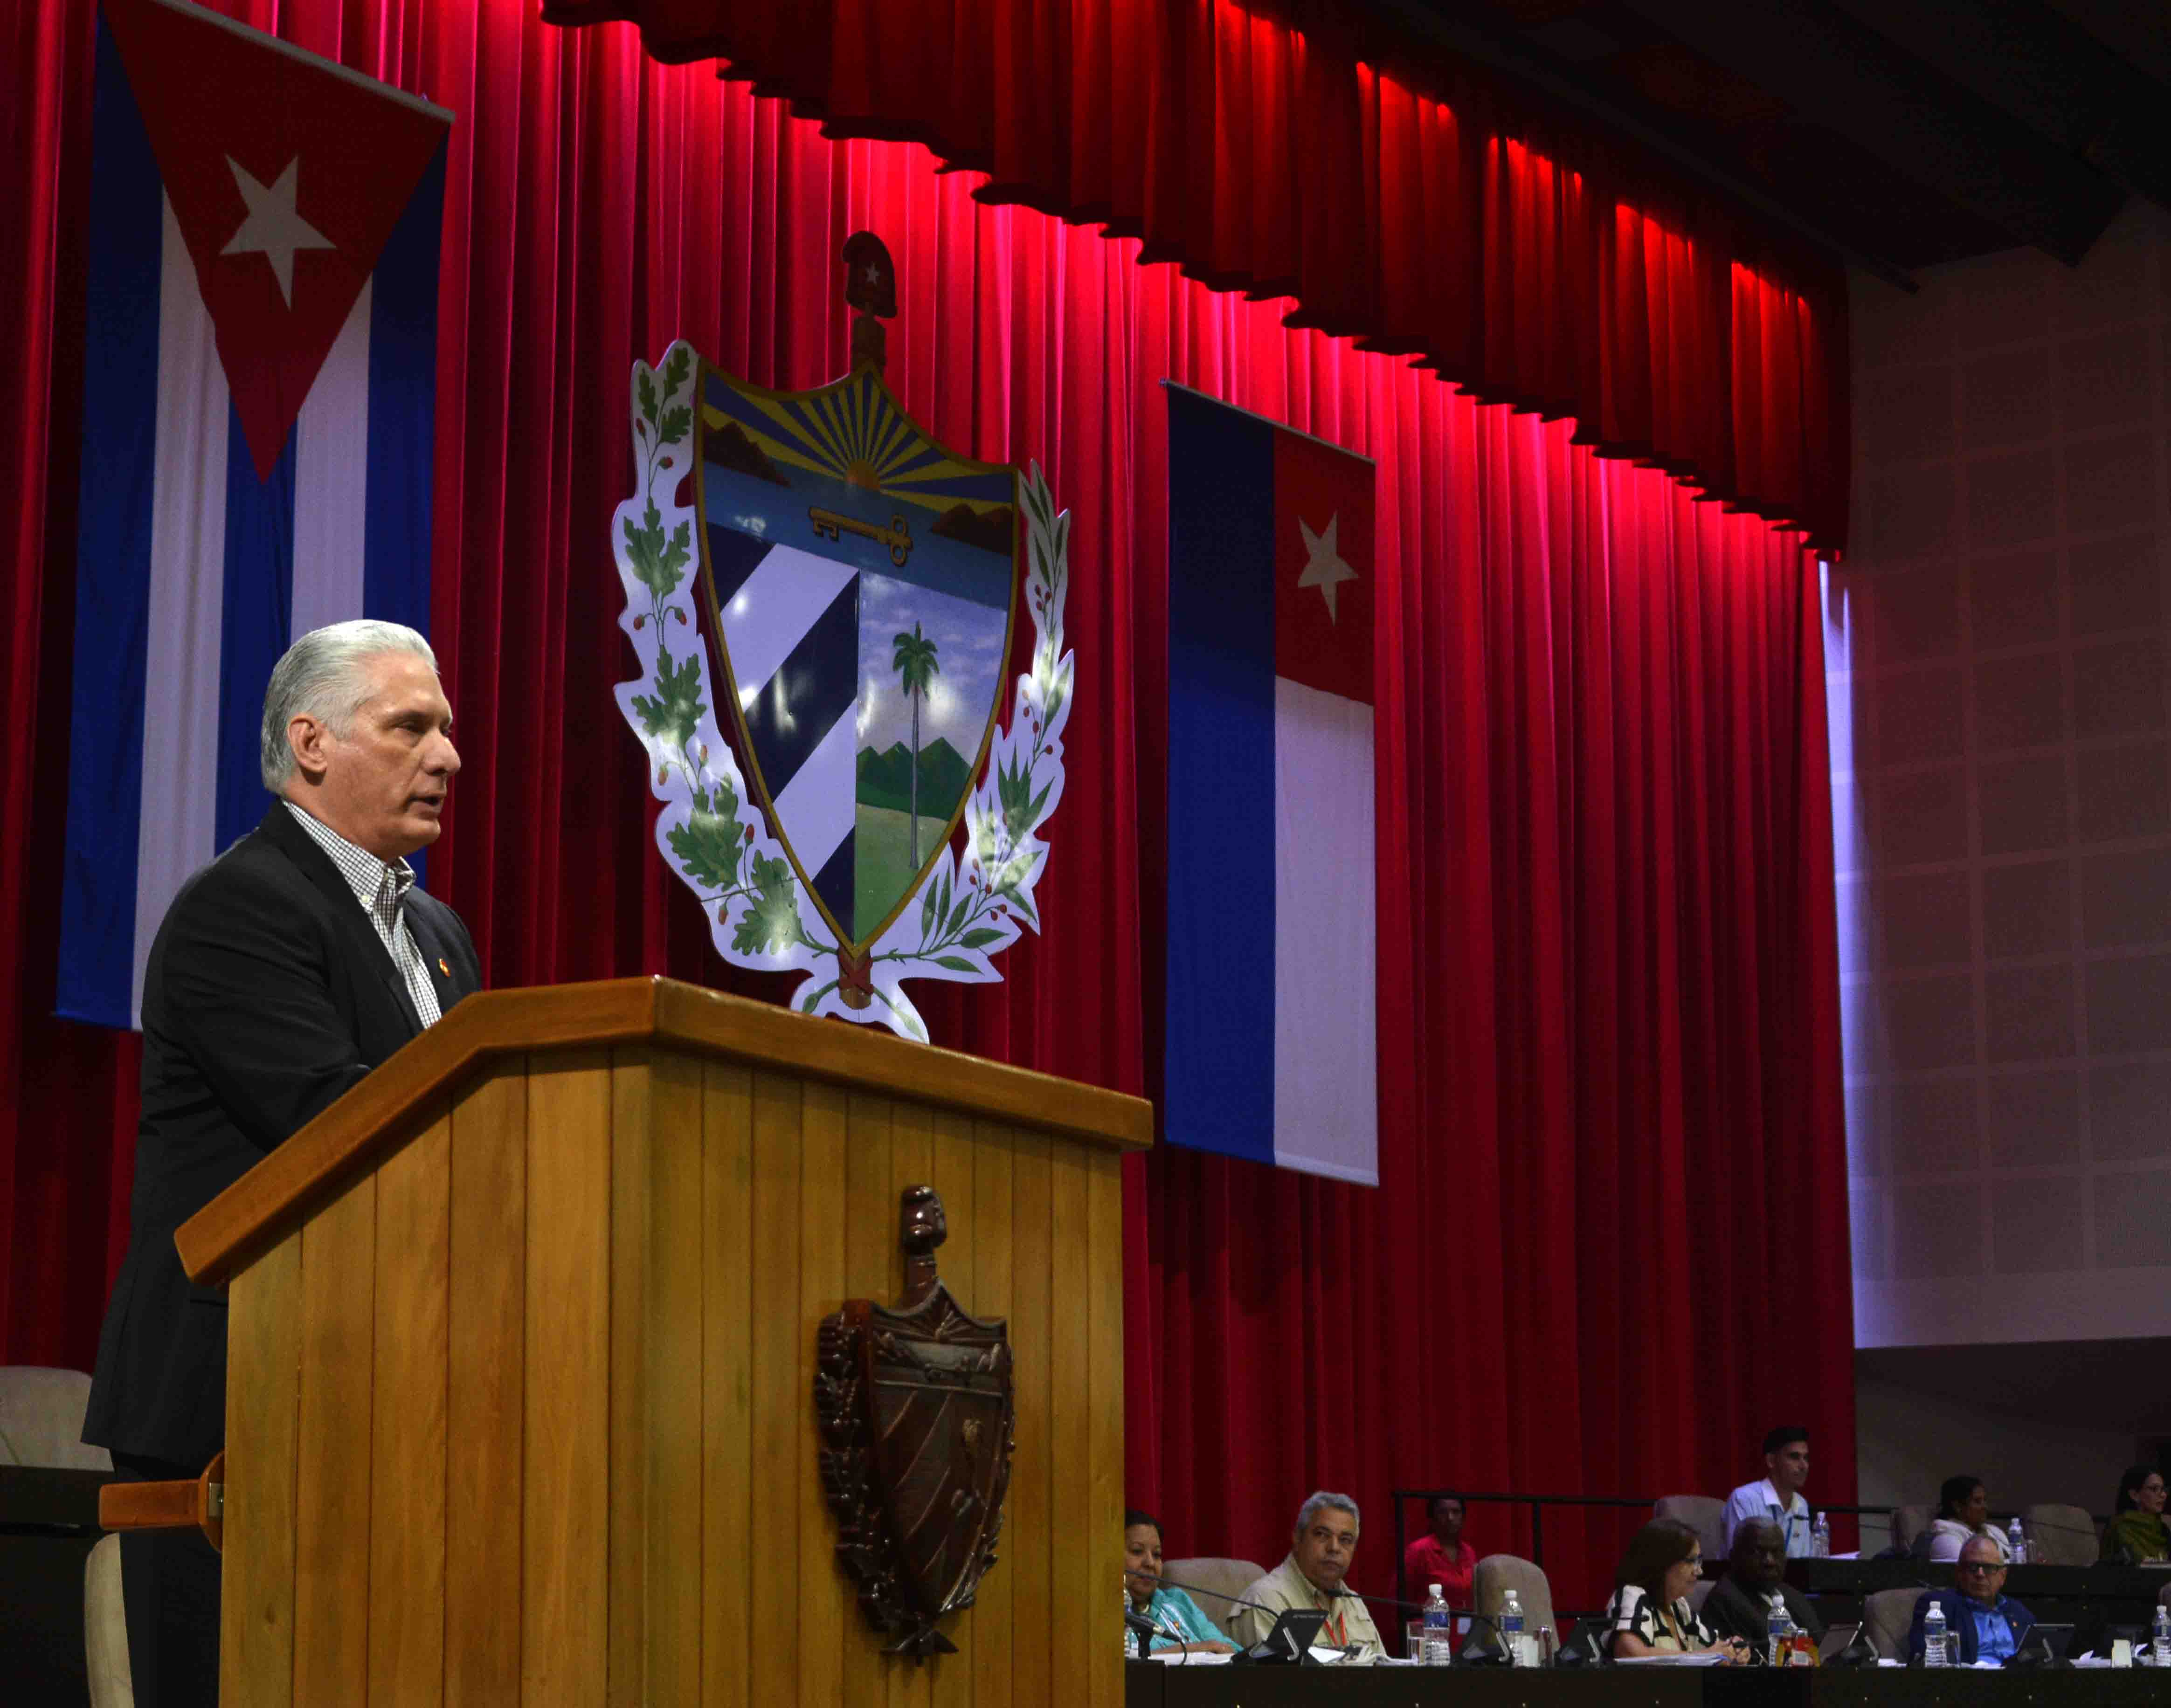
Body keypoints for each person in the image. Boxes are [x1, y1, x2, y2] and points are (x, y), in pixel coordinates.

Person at [81, 621, 479, 1708]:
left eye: (446, 728)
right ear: (310, 741)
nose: (448, 754)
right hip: (236, 1411)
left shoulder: (441, 930)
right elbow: (339, 1123)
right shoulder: (241, 906)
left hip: (385, 1399)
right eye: (411, 726)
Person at [1230, 1492, 1385, 1659]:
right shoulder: (1264, 1600)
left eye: (1345, 1540)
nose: (1334, 1547)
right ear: (1298, 1538)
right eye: (1322, 1535)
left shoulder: (1354, 1603)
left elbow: (1385, 1670)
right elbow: (1274, 1681)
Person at [1604, 1518, 1749, 1661]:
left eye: (1699, 1561)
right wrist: (1706, 1655)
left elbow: (1715, 1649)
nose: (1699, 1571)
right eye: (1692, 1561)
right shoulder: (1632, 1595)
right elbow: (1629, 1653)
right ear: (1663, 1563)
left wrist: (1734, 1650)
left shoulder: (1679, 1606)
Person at [1701, 1519, 1825, 1657]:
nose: (1770, 1561)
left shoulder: (1793, 1595)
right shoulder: (1725, 1601)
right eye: (1758, 1552)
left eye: (1777, 1552)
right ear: (1734, 1557)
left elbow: (1822, 1646)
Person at [1122, 1509, 1237, 1656]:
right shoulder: (1099, 1614)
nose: (1151, 1563)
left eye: (1157, 1554)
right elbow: (1117, 1664)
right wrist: (1193, 1650)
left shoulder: (1177, 1601)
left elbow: (1228, 1647)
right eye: (1137, 1551)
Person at [1908, 1534, 2035, 1663]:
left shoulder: (2019, 1613)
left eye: (1989, 1568)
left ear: (2003, 1576)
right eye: (1972, 1567)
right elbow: (1925, 1661)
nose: (1980, 1574)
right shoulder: (1941, 1607)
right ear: (1959, 1573)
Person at [1721, 1426, 1814, 1556]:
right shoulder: (1744, 1499)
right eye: (1794, 1457)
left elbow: (1807, 1560)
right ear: (1771, 1461)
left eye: (1806, 1458)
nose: (1804, 1466)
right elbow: (1740, 1560)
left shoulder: (1802, 1505)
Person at [1402, 1494, 1476, 1612]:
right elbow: (1399, 1599)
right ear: (1432, 1518)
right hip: (1430, 1627)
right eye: (1443, 1512)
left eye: (1456, 1512)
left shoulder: (1469, 1552)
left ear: (1463, 1518)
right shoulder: (1418, 1551)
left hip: (1466, 1628)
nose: (1450, 1518)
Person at [1922, 1474, 2010, 1563]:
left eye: (1984, 1500)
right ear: (1958, 1507)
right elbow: (1972, 1573)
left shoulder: (1994, 1531)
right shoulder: (1946, 1540)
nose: (1985, 1507)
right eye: (1977, 1501)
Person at [2101, 1465, 2171, 1564]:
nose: (2163, 1495)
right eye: (2155, 1489)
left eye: (2164, 1490)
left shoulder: (2163, 1529)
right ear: (2135, 1495)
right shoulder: (2120, 1527)